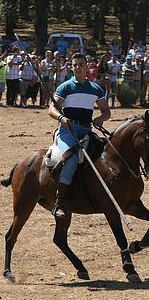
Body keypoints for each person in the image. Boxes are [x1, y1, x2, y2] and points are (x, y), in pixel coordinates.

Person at [49, 54, 109, 218]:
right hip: (67, 131)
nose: (78, 68)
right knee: (74, 157)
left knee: (104, 154)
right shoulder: (65, 87)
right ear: (71, 67)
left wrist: (101, 119)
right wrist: (61, 118)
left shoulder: (95, 89)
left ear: (87, 65)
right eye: (75, 65)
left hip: (87, 131)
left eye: (81, 64)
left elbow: (106, 111)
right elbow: (51, 109)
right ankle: (60, 203)